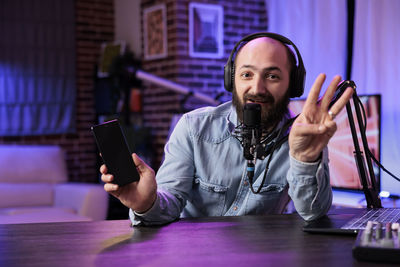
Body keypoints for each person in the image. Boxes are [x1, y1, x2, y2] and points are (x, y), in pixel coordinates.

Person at [100, 32, 354, 226]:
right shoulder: (193, 128)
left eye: (273, 76)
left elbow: (313, 213)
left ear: (293, 86)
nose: (257, 88)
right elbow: (170, 202)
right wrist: (146, 203)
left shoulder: (305, 134)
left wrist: (305, 158)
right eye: (246, 75)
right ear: (231, 79)